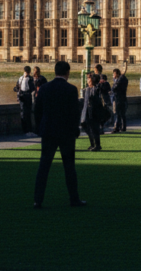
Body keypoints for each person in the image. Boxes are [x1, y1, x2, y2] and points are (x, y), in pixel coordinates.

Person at [34, 60, 86, 208]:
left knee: (43, 167)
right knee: (69, 167)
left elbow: (37, 110)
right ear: (67, 73)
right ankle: (74, 200)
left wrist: (40, 127)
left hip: (48, 132)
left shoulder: (44, 88)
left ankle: (37, 200)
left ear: (55, 72)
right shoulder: (71, 89)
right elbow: (74, 113)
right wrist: (75, 129)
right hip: (66, 134)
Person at [81, 73, 110, 151]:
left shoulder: (97, 88)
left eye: (89, 79)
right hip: (87, 111)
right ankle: (92, 144)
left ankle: (97, 145)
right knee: (87, 128)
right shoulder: (87, 89)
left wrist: (98, 81)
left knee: (95, 129)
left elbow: (104, 88)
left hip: (95, 112)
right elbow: (85, 102)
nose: (88, 81)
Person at [17, 66, 36, 135]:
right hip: (25, 97)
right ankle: (26, 130)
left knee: (26, 114)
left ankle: (28, 130)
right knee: (25, 114)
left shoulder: (23, 78)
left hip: (25, 97)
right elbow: (32, 88)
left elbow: (17, 88)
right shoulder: (25, 78)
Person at [111, 66, 129, 133]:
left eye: (114, 74)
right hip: (123, 99)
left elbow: (114, 89)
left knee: (117, 114)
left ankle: (116, 128)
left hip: (118, 99)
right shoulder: (124, 80)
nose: (113, 76)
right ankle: (123, 127)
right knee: (122, 114)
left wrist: (115, 80)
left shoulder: (118, 81)